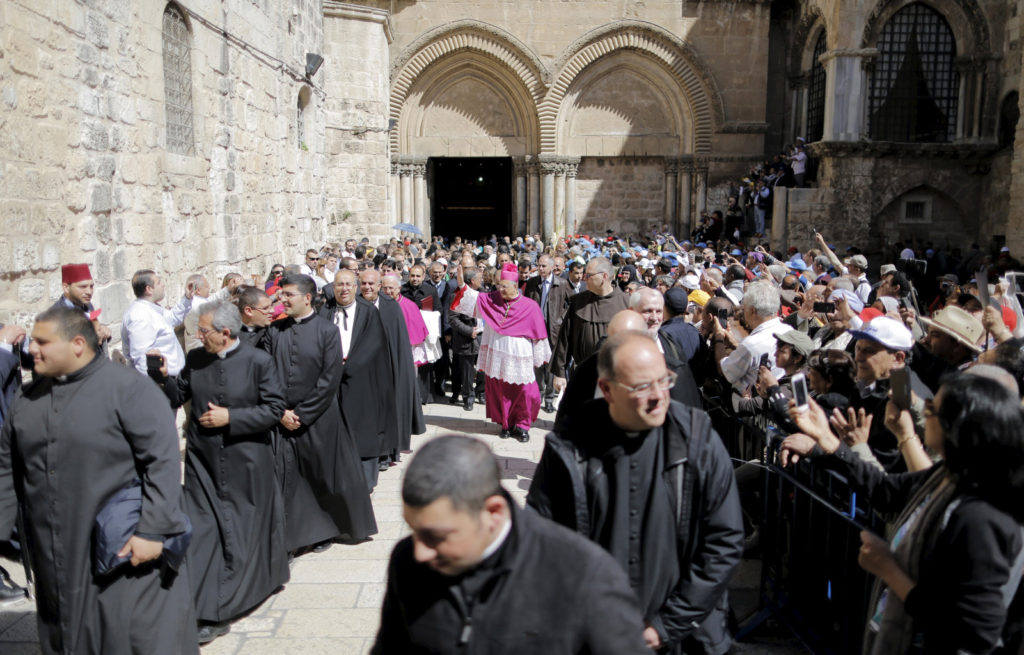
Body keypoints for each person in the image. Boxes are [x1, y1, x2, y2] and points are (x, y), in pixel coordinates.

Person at [529, 331, 744, 654]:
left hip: (681, 636)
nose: (659, 395)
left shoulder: (698, 439)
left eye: (664, 381)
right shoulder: (570, 444)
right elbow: (540, 538)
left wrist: (665, 626)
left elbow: (724, 540)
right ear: (607, 389)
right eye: (643, 387)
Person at [780, 374, 1024, 655]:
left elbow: (973, 633)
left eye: (931, 409)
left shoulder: (982, 515)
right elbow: (885, 490)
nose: (923, 414)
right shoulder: (946, 476)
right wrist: (826, 437)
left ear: (958, 427)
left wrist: (890, 570)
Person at [0, 306, 197, 655]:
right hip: (53, 551)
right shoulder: (25, 401)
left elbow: (162, 462)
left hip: (119, 550)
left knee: (126, 637)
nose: (32, 348)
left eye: (43, 342)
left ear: (78, 344)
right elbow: (5, 469)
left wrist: (153, 530)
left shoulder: (129, 389)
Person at [372, 435, 650, 655]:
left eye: (436, 536)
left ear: (493, 512)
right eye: (414, 530)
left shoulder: (583, 575)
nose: (420, 551)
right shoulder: (407, 561)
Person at [157, 302, 288, 644]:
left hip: (246, 461)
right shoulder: (197, 359)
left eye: (204, 331)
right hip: (203, 463)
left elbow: (273, 409)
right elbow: (179, 393)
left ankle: (224, 604)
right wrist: (160, 377)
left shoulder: (259, 362)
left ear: (226, 333)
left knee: (240, 533)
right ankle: (206, 605)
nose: (198, 337)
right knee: (202, 531)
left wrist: (231, 418)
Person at [264, 274, 376, 553]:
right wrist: (280, 412)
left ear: (307, 297)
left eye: (289, 295)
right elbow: (264, 375)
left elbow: (329, 379)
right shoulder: (274, 331)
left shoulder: (327, 331)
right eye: (282, 295)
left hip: (318, 417)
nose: (283, 300)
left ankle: (325, 529)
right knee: (289, 477)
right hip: (282, 419)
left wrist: (301, 414)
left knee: (322, 475)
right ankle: (289, 536)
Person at [450, 262, 551, 442]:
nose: (500, 290)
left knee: (526, 392)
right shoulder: (492, 299)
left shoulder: (530, 306)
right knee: (501, 391)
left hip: (520, 356)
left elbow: (539, 335)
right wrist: (461, 285)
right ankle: (505, 424)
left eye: (504, 287)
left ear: (515, 286)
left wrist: (539, 356)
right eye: (498, 285)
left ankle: (522, 425)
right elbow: (472, 300)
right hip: (497, 353)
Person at [319, 269, 394, 491]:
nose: (343, 289)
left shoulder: (368, 311)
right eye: (339, 285)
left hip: (361, 381)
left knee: (363, 429)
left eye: (348, 285)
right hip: (331, 382)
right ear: (333, 288)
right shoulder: (325, 311)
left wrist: (347, 366)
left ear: (355, 287)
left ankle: (365, 480)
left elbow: (373, 344)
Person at [360, 268, 425, 462]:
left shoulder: (390, 307)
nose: (367, 287)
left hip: (388, 367)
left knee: (390, 410)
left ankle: (388, 453)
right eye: (364, 283)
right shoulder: (356, 304)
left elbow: (399, 342)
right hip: (363, 369)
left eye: (372, 284)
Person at [552, 257, 630, 392]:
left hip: (615, 379)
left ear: (604, 276)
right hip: (582, 374)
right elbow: (565, 339)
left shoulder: (627, 304)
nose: (583, 278)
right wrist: (559, 373)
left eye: (588, 275)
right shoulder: (578, 302)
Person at [714, 280, 792, 391]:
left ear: (752, 311)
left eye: (744, 307)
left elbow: (724, 371)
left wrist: (718, 336)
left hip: (745, 403)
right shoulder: (788, 330)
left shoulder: (751, 344)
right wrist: (736, 344)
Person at [121, 269, 194, 377]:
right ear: (149, 289)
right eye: (159, 282)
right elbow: (142, 359)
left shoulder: (151, 308)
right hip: (160, 383)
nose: (163, 285)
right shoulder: (140, 316)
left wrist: (187, 298)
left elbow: (172, 318)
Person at [524, 254, 570, 413]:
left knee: (550, 367)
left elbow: (570, 304)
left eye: (544, 266)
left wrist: (560, 319)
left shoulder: (562, 284)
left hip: (553, 331)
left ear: (551, 267)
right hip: (535, 331)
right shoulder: (532, 283)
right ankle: (537, 395)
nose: (541, 269)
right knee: (536, 365)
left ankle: (549, 399)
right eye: (539, 265)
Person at [449, 267, 484, 411]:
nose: (482, 280)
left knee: (483, 369)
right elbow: (453, 319)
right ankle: (467, 397)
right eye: (480, 278)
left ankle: (481, 393)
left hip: (483, 338)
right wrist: (469, 331)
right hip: (466, 339)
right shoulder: (458, 296)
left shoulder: (483, 294)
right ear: (472, 281)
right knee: (467, 372)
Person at [52, 263, 111, 343]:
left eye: (91, 286)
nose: (89, 292)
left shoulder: (88, 306)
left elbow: (96, 330)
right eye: (83, 287)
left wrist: (103, 332)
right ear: (66, 287)